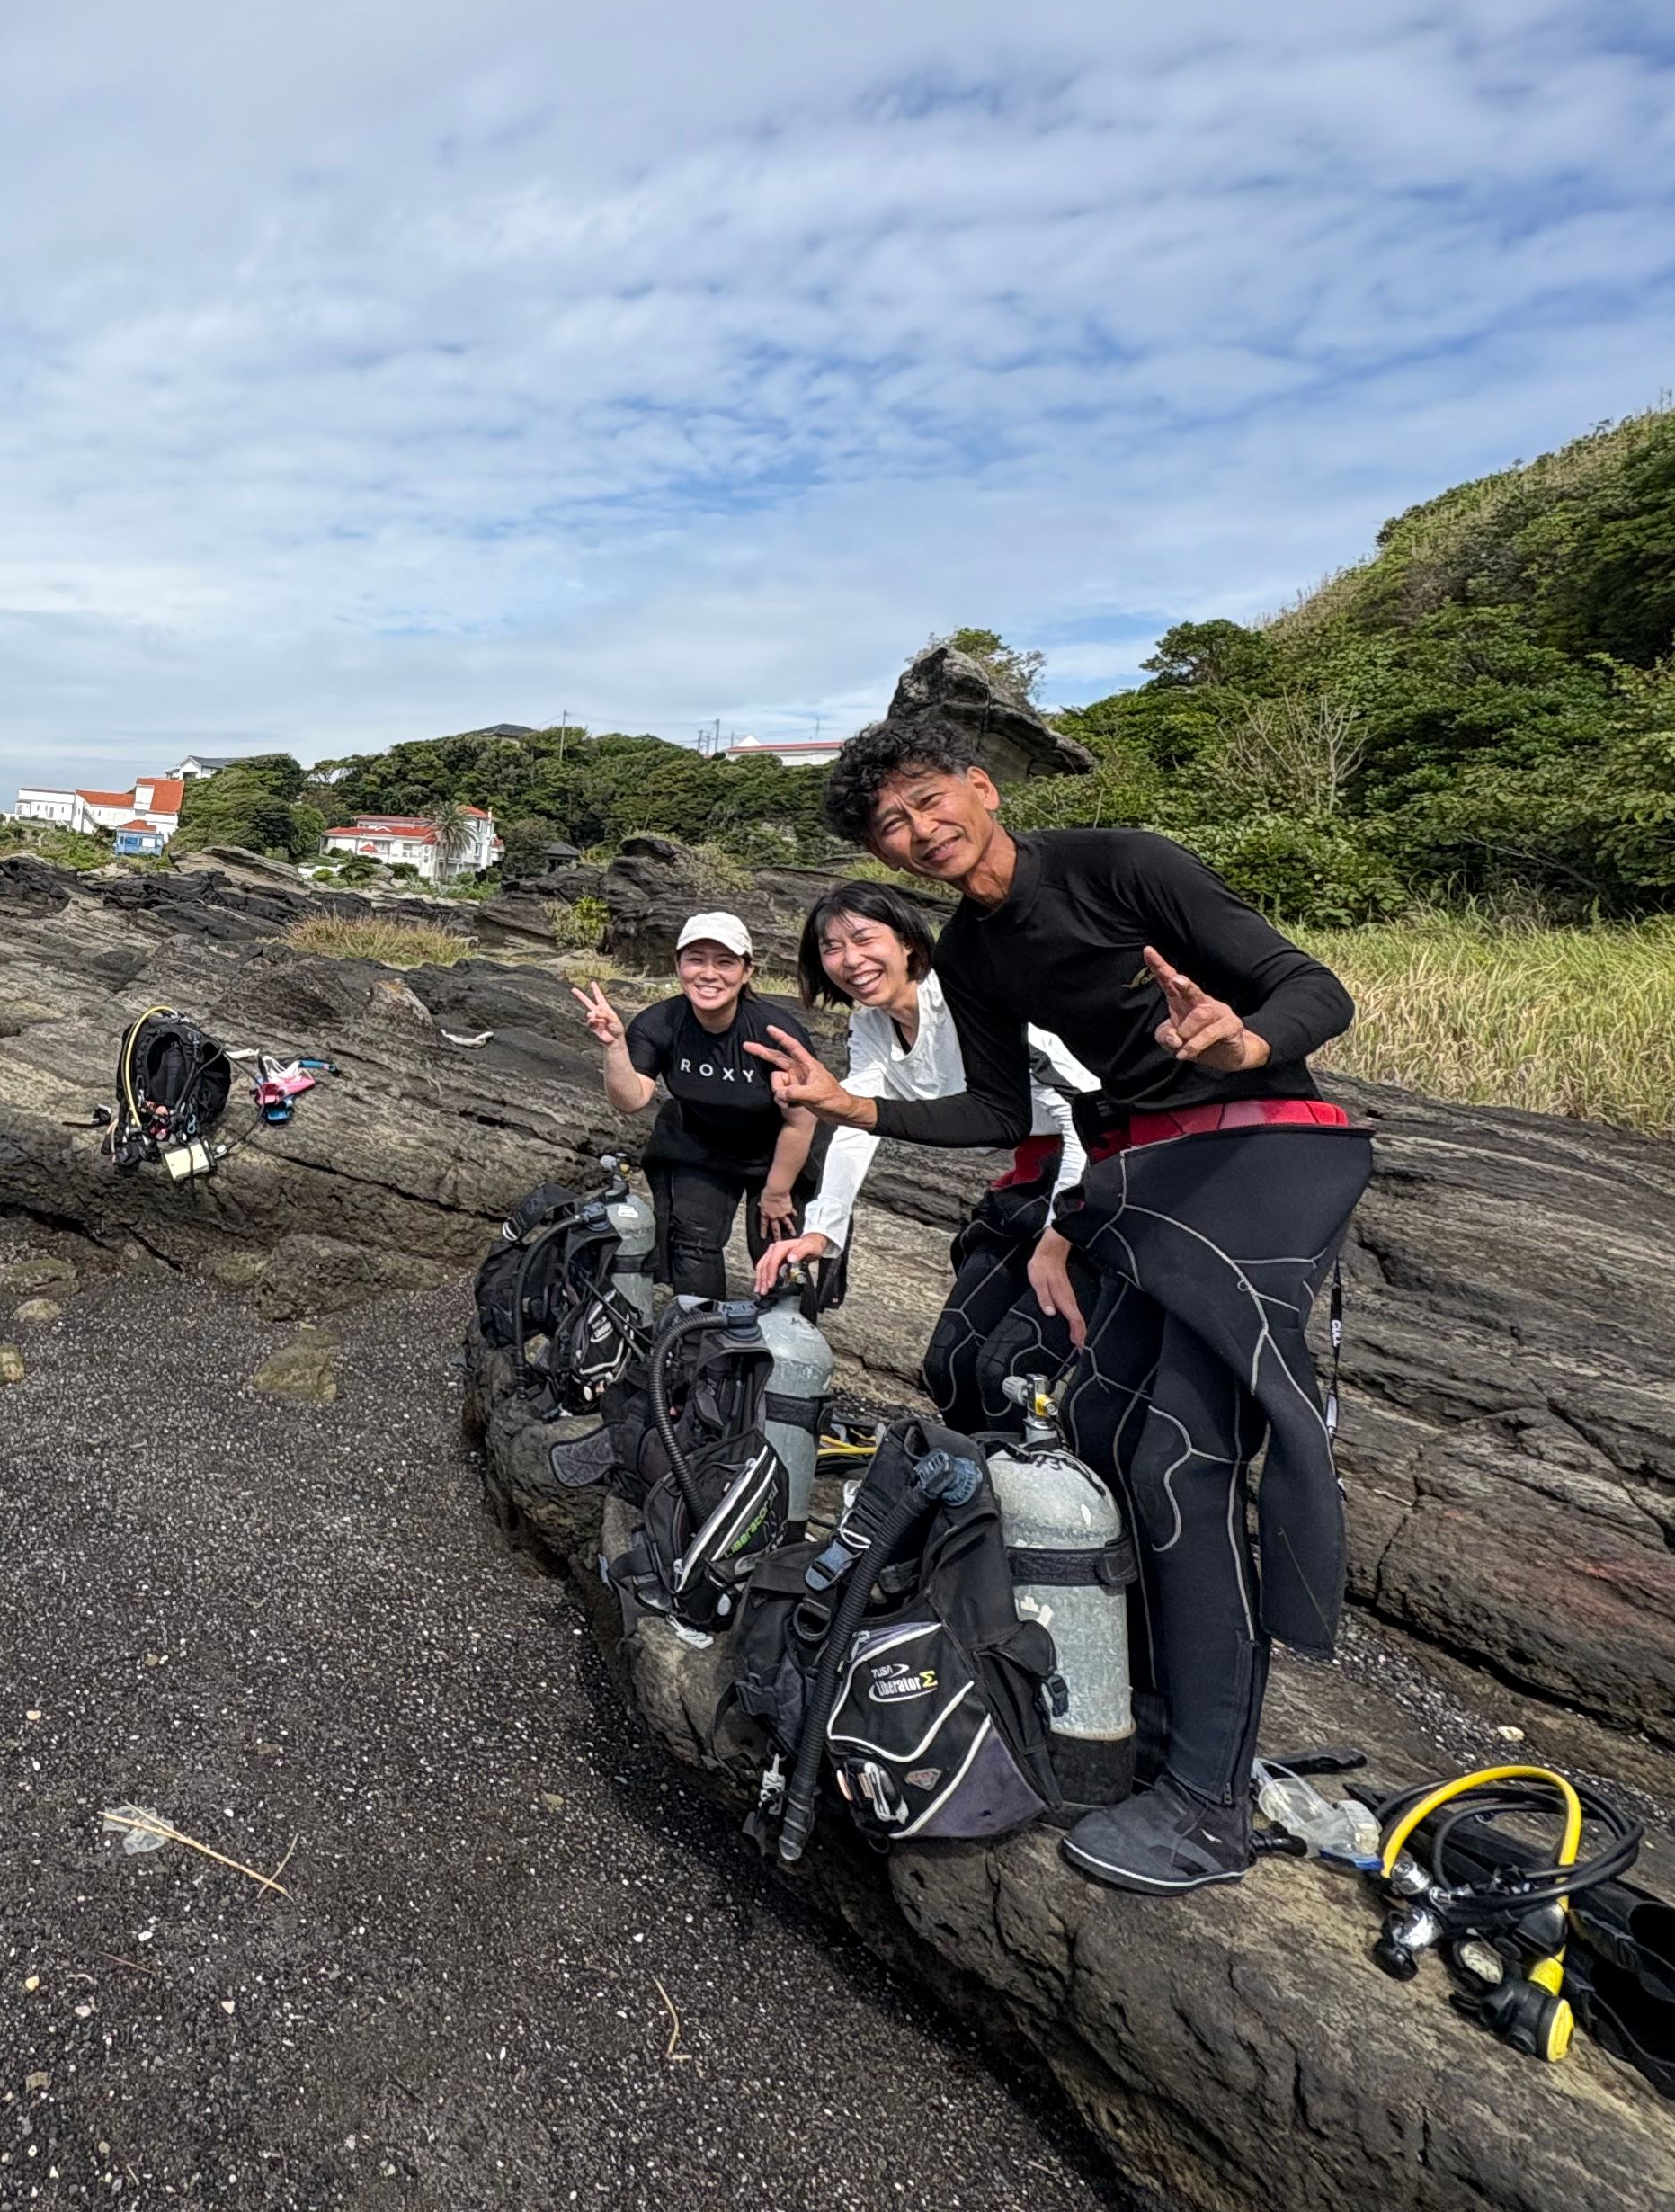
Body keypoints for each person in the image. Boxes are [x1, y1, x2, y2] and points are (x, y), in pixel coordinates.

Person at [753, 714, 1369, 1895]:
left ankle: (1207, 1803)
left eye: (933, 800)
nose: (921, 830)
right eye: (893, 825)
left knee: (1181, 1464)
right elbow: (995, 1107)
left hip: (1260, 1159)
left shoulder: (1120, 866)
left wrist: (1243, 1042)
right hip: (1146, 1179)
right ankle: (1146, 1715)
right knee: (1104, 1442)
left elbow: (1312, 985)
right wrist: (848, 1104)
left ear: (982, 787)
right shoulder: (977, 957)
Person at [752, 880, 1104, 1433]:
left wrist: (1060, 1239)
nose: (850, 960)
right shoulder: (870, 1024)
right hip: (1029, 1181)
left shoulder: (977, 998)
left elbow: (1087, 1112)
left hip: (1100, 1179)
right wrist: (822, 1232)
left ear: (909, 943)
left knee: (1006, 1373)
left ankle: (1047, 1502)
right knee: (947, 1367)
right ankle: (972, 1497)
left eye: (864, 938)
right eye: (831, 947)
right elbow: (855, 1121)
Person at [575, 912, 823, 1304]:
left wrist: (777, 1191)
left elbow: (802, 1119)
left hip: (778, 1148)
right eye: (696, 959)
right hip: (703, 1146)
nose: (709, 973)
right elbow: (632, 1099)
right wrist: (615, 1046)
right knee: (692, 1244)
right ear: (678, 966)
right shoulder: (660, 1023)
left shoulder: (775, 1032)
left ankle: (783, 1345)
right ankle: (698, 1336)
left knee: (779, 1251)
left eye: (725, 962)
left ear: (747, 971)